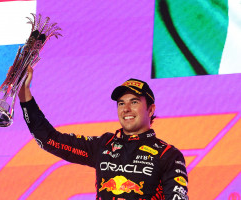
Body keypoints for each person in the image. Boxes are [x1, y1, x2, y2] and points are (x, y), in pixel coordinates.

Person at [18, 66, 189, 200]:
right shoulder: (103, 145)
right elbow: (49, 139)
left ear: (150, 110)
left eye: (134, 102)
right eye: (121, 103)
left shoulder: (168, 155)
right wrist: (24, 95)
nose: (126, 109)